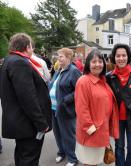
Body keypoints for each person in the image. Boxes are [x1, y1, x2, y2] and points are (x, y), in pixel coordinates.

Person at [0, 33, 52, 166]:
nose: (32, 50)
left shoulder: (10, 60)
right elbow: (28, 98)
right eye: (31, 47)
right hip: (29, 125)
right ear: (27, 46)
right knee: (29, 159)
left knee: (22, 157)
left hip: (22, 124)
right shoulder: (19, 63)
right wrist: (41, 123)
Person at [74, 48, 119, 166]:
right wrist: (90, 128)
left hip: (101, 130)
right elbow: (81, 108)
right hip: (92, 132)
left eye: (100, 61)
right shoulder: (83, 81)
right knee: (89, 162)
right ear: (88, 64)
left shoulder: (102, 80)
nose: (97, 64)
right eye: (94, 62)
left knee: (95, 161)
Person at [106, 43, 131, 166]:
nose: (121, 58)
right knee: (119, 148)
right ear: (114, 57)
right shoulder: (109, 77)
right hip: (117, 120)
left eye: (123, 55)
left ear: (128, 56)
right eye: (118, 56)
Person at [49, 48, 81, 166]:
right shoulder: (59, 70)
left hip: (65, 109)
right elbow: (53, 85)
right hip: (53, 108)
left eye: (61, 56)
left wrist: (65, 100)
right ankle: (62, 152)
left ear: (68, 57)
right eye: (58, 56)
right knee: (58, 134)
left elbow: (79, 90)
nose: (58, 58)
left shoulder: (74, 71)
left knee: (68, 135)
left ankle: (72, 158)